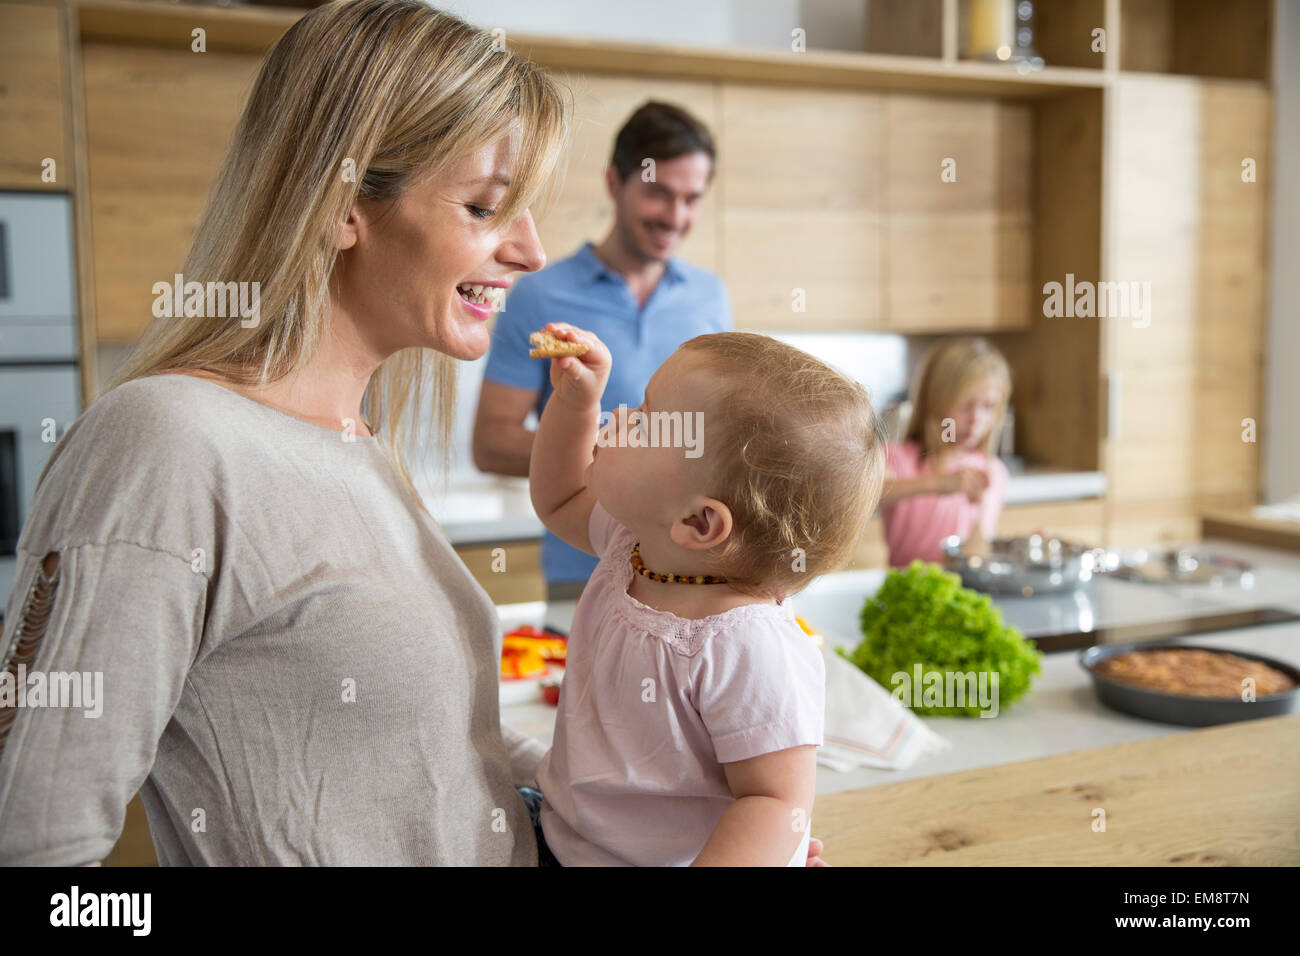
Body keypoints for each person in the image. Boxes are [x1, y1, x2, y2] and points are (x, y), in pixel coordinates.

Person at [0, 0, 572, 865]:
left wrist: (648, 803)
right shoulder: (166, 442)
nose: (532, 252)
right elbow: (36, 841)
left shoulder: (357, 442)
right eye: (488, 208)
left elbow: (444, 759)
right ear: (345, 206)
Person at [525, 323, 886, 865]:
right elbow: (560, 498)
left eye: (646, 420)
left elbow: (774, 798)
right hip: (568, 840)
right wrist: (578, 402)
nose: (619, 418)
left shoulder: (746, 645)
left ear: (697, 522)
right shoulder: (636, 544)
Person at [473, 101, 732, 601]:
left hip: (688, 573)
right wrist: (621, 455)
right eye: (659, 194)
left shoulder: (710, 296)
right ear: (615, 183)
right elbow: (491, 443)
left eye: (691, 199)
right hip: (583, 564)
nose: (675, 217)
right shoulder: (541, 296)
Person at [877, 338, 1013, 566]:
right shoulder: (898, 460)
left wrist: (1016, 550)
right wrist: (938, 483)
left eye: (988, 407)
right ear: (935, 402)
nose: (976, 420)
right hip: (906, 592)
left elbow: (979, 551)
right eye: (964, 405)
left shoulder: (993, 471)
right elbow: (871, 493)